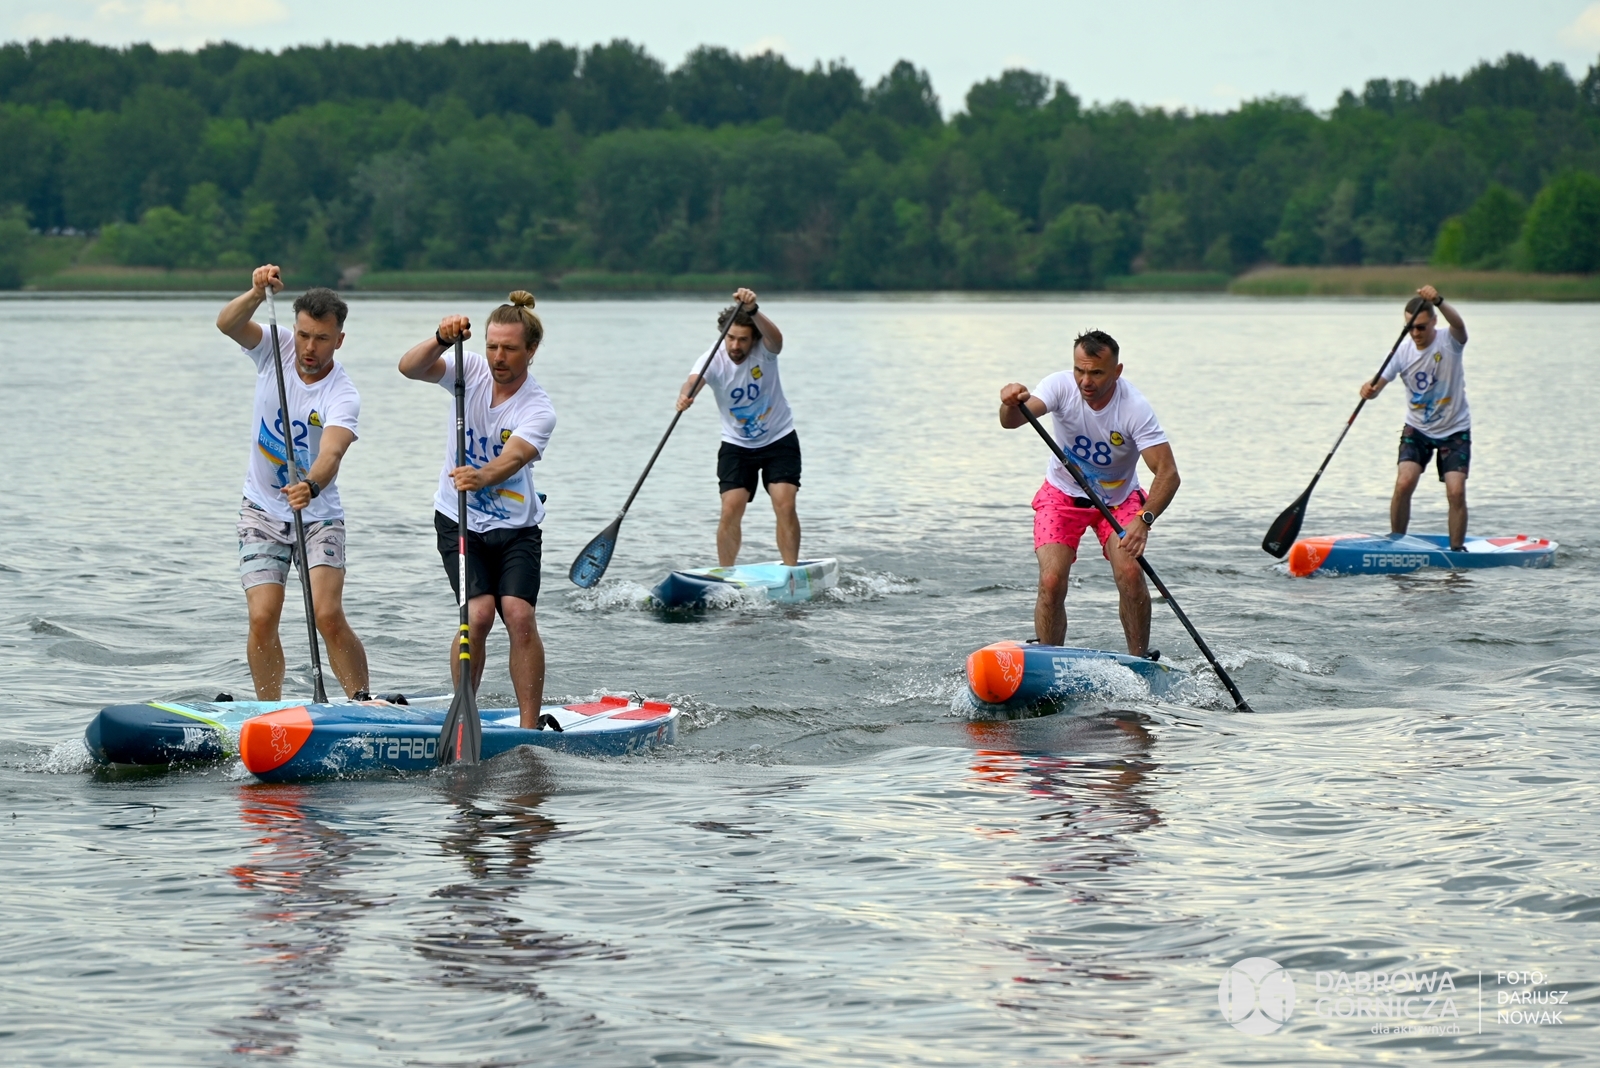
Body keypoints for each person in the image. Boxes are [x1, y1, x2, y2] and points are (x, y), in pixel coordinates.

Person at [398, 291, 555, 729]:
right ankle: (463, 714)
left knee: (519, 614)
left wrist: (482, 476)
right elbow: (409, 368)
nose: (497, 357)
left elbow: (514, 458)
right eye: (492, 346)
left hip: (516, 527)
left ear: (531, 351)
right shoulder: (468, 369)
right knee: (479, 614)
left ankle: (529, 726)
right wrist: (440, 339)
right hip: (458, 518)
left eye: (509, 348)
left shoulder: (538, 408)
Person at [215, 265, 370, 699]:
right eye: (303, 335)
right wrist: (255, 292)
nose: (309, 347)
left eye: (321, 338)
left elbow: (332, 452)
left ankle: (362, 702)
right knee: (262, 617)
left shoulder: (342, 394)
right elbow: (226, 324)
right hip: (261, 511)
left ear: (339, 340)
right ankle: (270, 711)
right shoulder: (275, 348)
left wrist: (311, 485)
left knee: (327, 616)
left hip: (318, 515)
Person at [998, 330, 1180, 657]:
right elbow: (1011, 422)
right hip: (1061, 496)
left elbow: (1168, 474)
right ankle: (1049, 658)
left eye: (1096, 373)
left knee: (1130, 573)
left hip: (1119, 501)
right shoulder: (1059, 386)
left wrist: (1144, 520)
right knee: (1052, 581)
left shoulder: (1134, 408)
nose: (1085, 381)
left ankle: (1139, 660)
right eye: (1079, 370)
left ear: (1117, 371)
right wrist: (1010, 403)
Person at [675, 287, 801, 566]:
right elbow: (693, 380)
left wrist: (753, 310)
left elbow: (777, 340)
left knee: (785, 503)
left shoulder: (765, 351)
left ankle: (792, 573)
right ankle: (726, 574)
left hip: (779, 439)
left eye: (743, 340)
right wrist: (686, 395)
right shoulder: (713, 357)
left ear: (753, 339)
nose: (735, 346)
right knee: (730, 508)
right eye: (730, 338)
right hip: (736, 444)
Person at [1358, 285, 1471, 550]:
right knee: (1404, 482)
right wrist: (1369, 390)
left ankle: (1457, 553)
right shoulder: (1402, 351)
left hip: (1454, 429)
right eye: (1410, 328)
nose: (1415, 333)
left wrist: (1439, 300)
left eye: (1421, 327)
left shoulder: (1450, 341)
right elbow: (1377, 385)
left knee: (1456, 492)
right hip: (1417, 429)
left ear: (1434, 322)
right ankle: (1396, 544)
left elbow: (1459, 324)